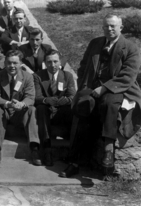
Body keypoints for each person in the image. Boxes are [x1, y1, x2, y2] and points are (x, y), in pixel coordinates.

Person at [60, 14, 141, 178]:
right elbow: (83, 65)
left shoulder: (131, 48)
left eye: (113, 26)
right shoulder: (95, 43)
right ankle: (74, 162)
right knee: (84, 108)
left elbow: (127, 76)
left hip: (118, 89)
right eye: (106, 26)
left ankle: (108, 151)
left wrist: (104, 88)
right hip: (93, 87)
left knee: (109, 105)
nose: (109, 29)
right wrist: (85, 86)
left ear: (121, 27)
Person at [0, 50, 41, 166]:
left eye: (15, 63)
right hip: (5, 110)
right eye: (9, 63)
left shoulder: (27, 77)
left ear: (20, 64)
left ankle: (34, 148)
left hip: (19, 112)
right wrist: (7, 103)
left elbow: (30, 97)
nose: (12, 66)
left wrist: (21, 104)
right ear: (5, 63)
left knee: (32, 109)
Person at [34, 50, 76, 166]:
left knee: (72, 109)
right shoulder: (38, 76)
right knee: (41, 108)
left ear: (60, 62)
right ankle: (47, 149)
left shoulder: (67, 76)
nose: (52, 65)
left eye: (55, 61)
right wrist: (46, 100)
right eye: (49, 62)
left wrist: (66, 100)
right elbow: (37, 97)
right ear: (44, 63)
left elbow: (72, 96)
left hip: (61, 112)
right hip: (46, 111)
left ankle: (72, 150)